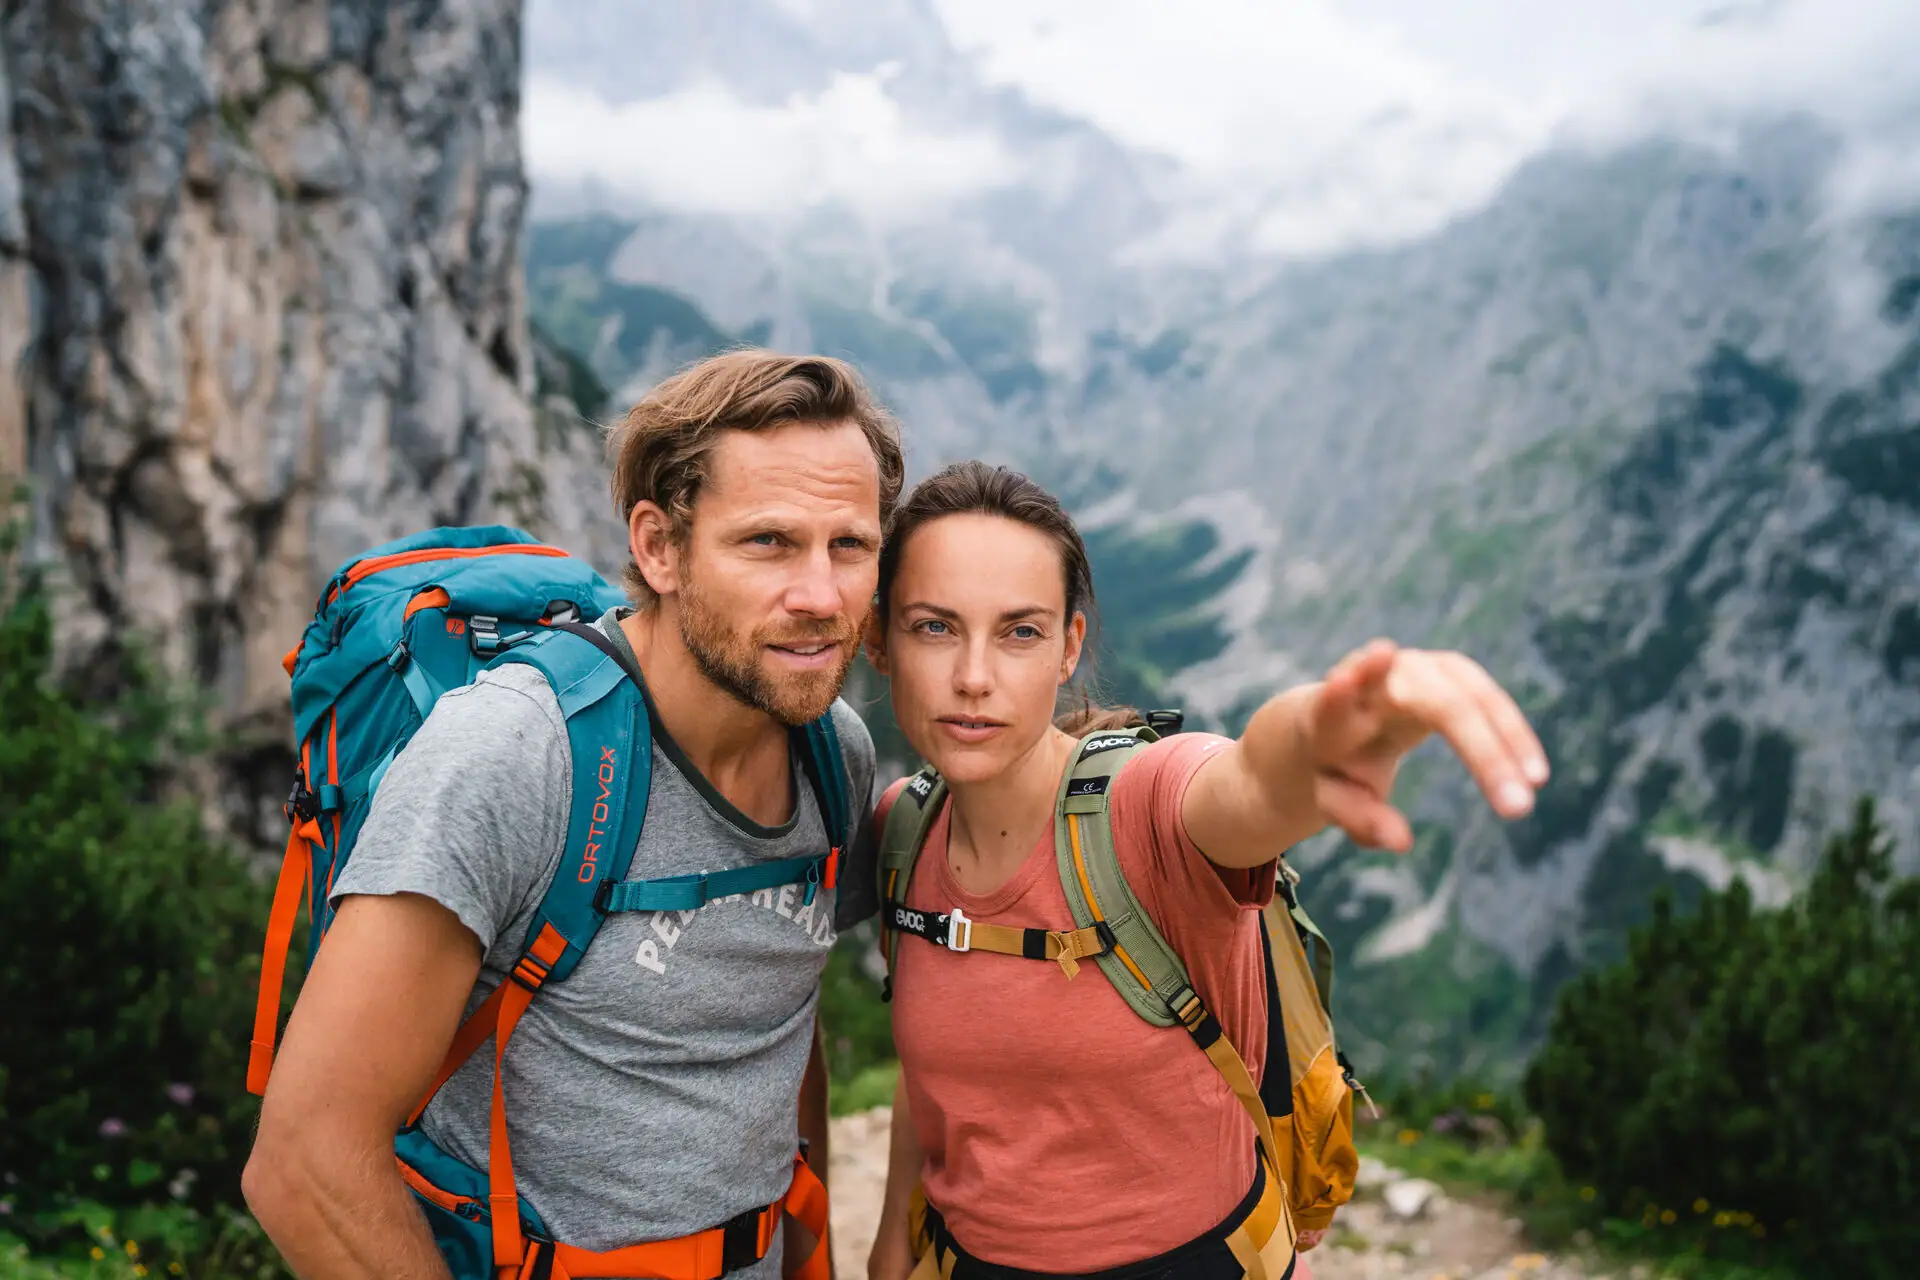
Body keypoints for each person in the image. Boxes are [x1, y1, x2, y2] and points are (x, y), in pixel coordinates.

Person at [243, 350, 904, 1280]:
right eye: (767, 543)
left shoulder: (832, 749)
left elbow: (774, 1026)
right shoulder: (516, 757)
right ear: (658, 547)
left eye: (851, 546)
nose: (821, 597)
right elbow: (304, 1161)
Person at [860, 461, 1550, 1280]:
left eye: (1021, 632)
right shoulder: (903, 829)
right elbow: (935, 1066)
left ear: (1069, 647)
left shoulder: (1142, 812)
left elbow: (1247, 781)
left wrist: (1315, 745)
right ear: (880, 642)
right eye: (934, 627)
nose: (974, 676)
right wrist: (893, 1233)